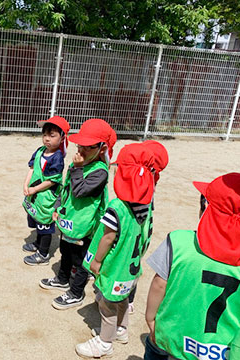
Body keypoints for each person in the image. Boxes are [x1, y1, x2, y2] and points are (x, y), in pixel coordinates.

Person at [144, 173, 240, 360]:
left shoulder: (178, 241)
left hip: (172, 336)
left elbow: (159, 284)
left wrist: (150, 317)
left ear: (206, 206)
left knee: (155, 349)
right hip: (217, 351)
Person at [76, 143, 155, 358]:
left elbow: (108, 237)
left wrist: (98, 261)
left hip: (116, 268)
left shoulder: (117, 207)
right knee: (123, 300)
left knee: (107, 305)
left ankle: (104, 343)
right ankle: (121, 331)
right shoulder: (145, 205)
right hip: (131, 269)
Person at [39, 118, 117, 310]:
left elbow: (80, 191)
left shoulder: (100, 172)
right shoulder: (77, 164)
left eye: (88, 147)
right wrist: (58, 207)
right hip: (70, 220)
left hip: (86, 226)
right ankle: (62, 278)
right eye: (80, 144)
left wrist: (79, 169)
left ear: (102, 149)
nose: (81, 150)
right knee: (65, 250)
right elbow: (66, 189)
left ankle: (76, 293)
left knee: (82, 260)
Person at [127, 140, 169, 315]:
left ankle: (125, 305)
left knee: (128, 266)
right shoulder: (148, 183)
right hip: (141, 236)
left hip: (135, 236)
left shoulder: (141, 191)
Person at [22, 116, 70, 265]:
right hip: (35, 195)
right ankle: (37, 243)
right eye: (44, 135)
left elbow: (52, 180)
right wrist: (26, 184)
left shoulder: (57, 158)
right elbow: (32, 168)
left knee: (45, 224)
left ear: (62, 138)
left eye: (52, 135)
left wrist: (34, 188)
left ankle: (43, 254)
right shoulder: (40, 151)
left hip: (47, 197)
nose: (47, 139)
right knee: (38, 220)